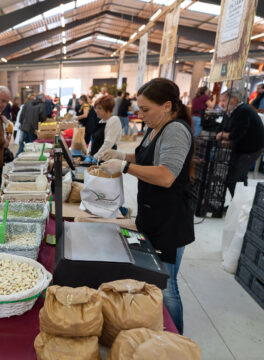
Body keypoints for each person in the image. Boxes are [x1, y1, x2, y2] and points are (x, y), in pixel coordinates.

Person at [100, 77, 196, 335]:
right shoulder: (155, 128)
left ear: (166, 106)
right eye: (139, 110)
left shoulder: (175, 129)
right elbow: (145, 156)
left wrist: (126, 167)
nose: (140, 115)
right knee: (154, 280)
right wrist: (121, 155)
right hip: (152, 217)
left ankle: (175, 340)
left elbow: (166, 176)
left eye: (145, 110)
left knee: (167, 287)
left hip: (170, 222)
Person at [217, 89, 264, 198]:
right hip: (241, 148)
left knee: (236, 178)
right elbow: (223, 128)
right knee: (236, 178)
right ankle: (237, 204)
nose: (222, 103)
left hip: (250, 149)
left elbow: (237, 133)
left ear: (234, 100)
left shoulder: (243, 110)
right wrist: (224, 135)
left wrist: (224, 135)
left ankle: (239, 204)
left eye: (224, 100)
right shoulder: (233, 111)